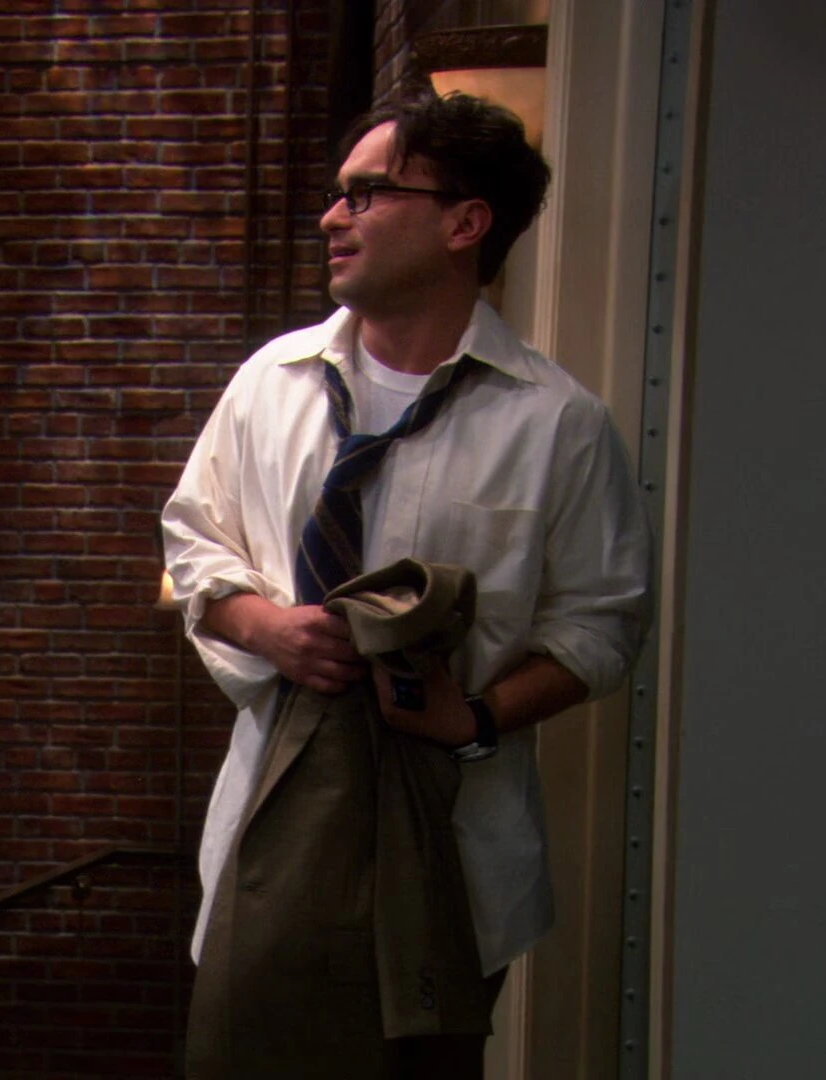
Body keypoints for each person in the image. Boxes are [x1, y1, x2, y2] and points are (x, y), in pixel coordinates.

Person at [163, 91, 651, 1075]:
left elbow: (603, 624)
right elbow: (194, 539)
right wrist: (266, 628)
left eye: (366, 193)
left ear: (465, 222)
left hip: (453, 843)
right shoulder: (271, 383)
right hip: (273, 823)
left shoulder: (557, 424)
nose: (331, 218)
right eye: (337, 194)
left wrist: (476, 716)